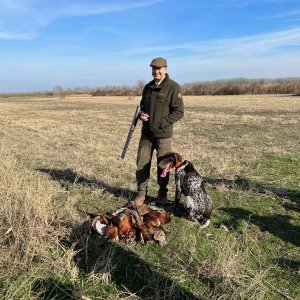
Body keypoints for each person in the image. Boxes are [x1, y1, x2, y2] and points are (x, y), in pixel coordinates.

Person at [134, 57, 184, 206]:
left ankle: (162, 194)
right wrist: (140, 115)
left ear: (165, 69)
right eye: (154, 68)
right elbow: (142, 107)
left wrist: (163, 123)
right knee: (142, 164)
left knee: (163, 165)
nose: (156, 71)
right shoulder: (147, 87)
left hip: (163, 136)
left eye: (159, 68)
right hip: (146, 135)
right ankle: (141, 194)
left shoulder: (173, 87)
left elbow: (179, 111)